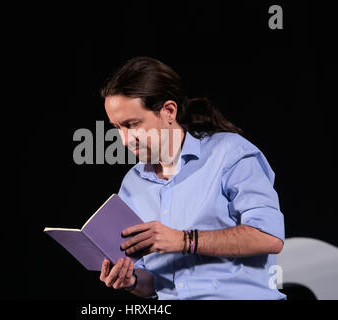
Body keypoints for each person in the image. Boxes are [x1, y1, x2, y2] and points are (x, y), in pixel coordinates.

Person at [98, 57, 286, 300]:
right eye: (117, 128)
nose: (124, 140)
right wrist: (131, 280)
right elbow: (151, 284)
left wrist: (183, 240)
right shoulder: (133, 183)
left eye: (132, 125)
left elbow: (269, 237)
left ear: (168, 111)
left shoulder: (229, 153)